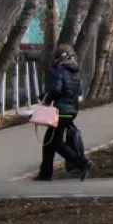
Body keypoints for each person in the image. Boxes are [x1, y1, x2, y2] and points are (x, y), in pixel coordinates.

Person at [39, 46, 91, 181]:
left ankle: (82, 163)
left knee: (55, 142)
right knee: (48, 141)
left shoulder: (59, 72)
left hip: (60, 112)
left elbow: (55, 90)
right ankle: (45, 173)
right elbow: (76, 93)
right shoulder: (74, 73)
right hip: (71, 111)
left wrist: (45, 100)